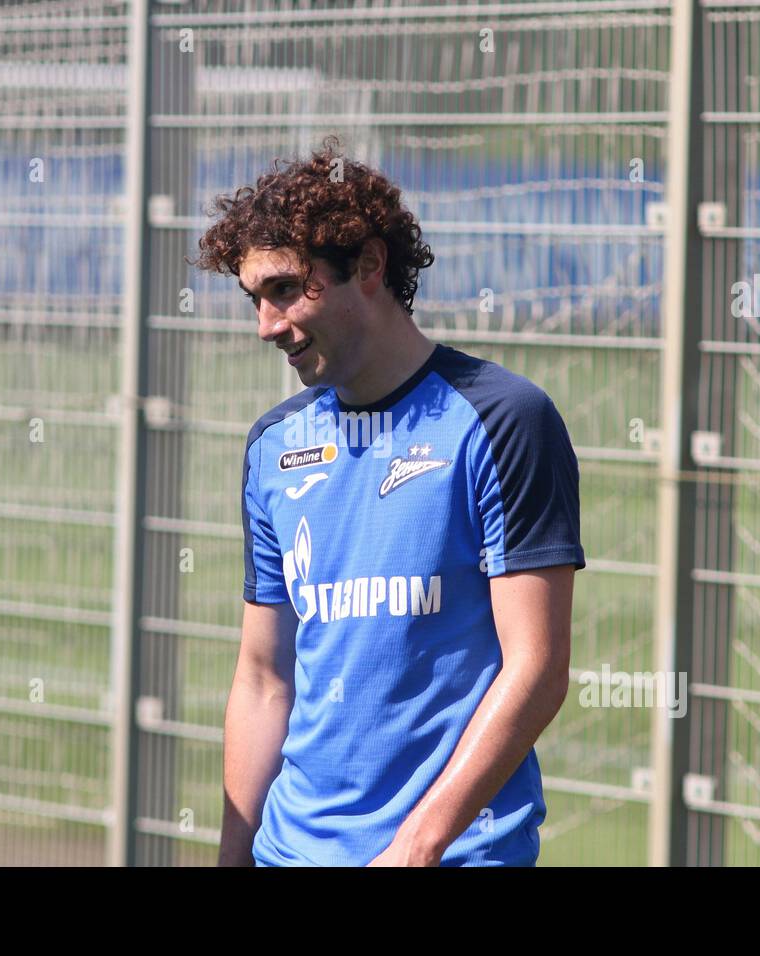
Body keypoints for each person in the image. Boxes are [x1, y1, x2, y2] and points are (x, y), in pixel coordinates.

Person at [196, 137, 585, 866]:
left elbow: (537, 670)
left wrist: (417, 846)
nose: (266, 326)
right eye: (255, 298)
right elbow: (262, 678)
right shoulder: (273, 447)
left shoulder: (503, 419)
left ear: (369, 265)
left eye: (283, 289)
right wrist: (233, 858)